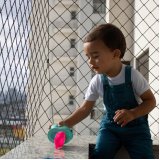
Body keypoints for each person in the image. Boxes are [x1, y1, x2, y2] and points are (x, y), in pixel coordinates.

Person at [48, 23, 156, 159]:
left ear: (115, 54)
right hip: (110, 129)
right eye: (88, 57)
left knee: (144, 155)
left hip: (136, 129)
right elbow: (85, 109)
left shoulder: (133, 76)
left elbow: (150, 101)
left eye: (95, 56)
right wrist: (67, 123)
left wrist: (133, 113)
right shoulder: (97, 80)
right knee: (100, 154)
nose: (90, 61)